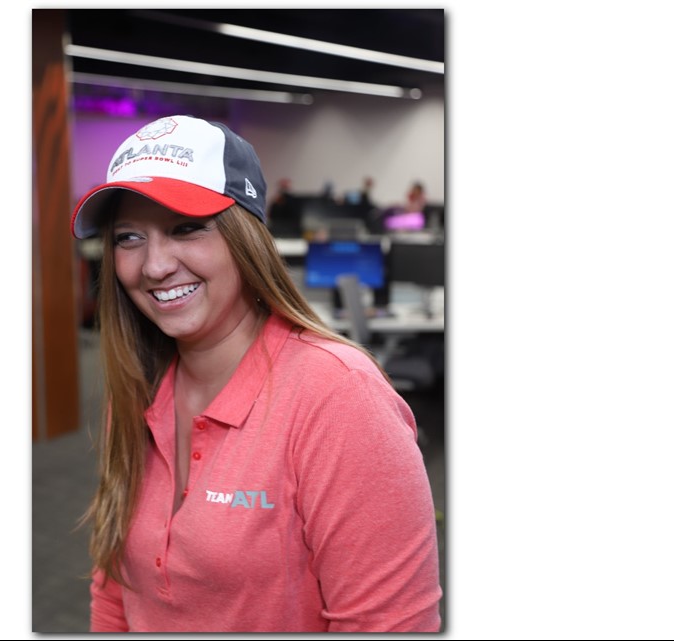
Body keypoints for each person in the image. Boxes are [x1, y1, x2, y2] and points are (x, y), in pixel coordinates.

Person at [70, 115, 441, 632]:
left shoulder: (338, 397)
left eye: (186, 228)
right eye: (128, 237)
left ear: (246, 238)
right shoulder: (140, 386)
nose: (154, 266)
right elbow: (114, 590)